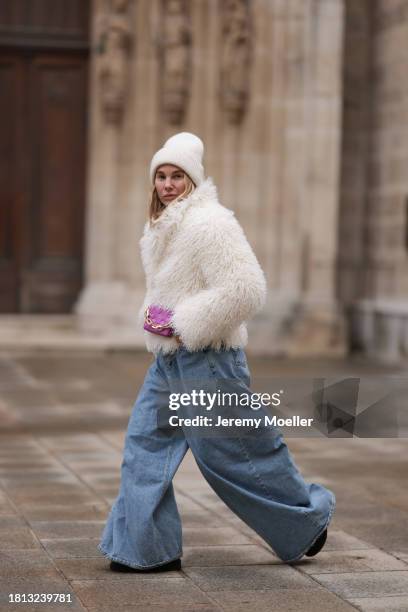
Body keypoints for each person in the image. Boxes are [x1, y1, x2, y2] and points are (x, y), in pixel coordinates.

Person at [98, 132, 335, 572]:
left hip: (209, 360)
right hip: (168, 362)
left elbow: (246, 289)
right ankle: (146, 551)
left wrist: (185, 324)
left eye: (177, 176)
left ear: (193, 178)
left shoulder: (211, 223)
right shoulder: (163, 226)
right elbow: (170, 289)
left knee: (234, 455)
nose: (167, 185)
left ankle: (306, 522)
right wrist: (153, 317)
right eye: (161, 176)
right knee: (144, 448)